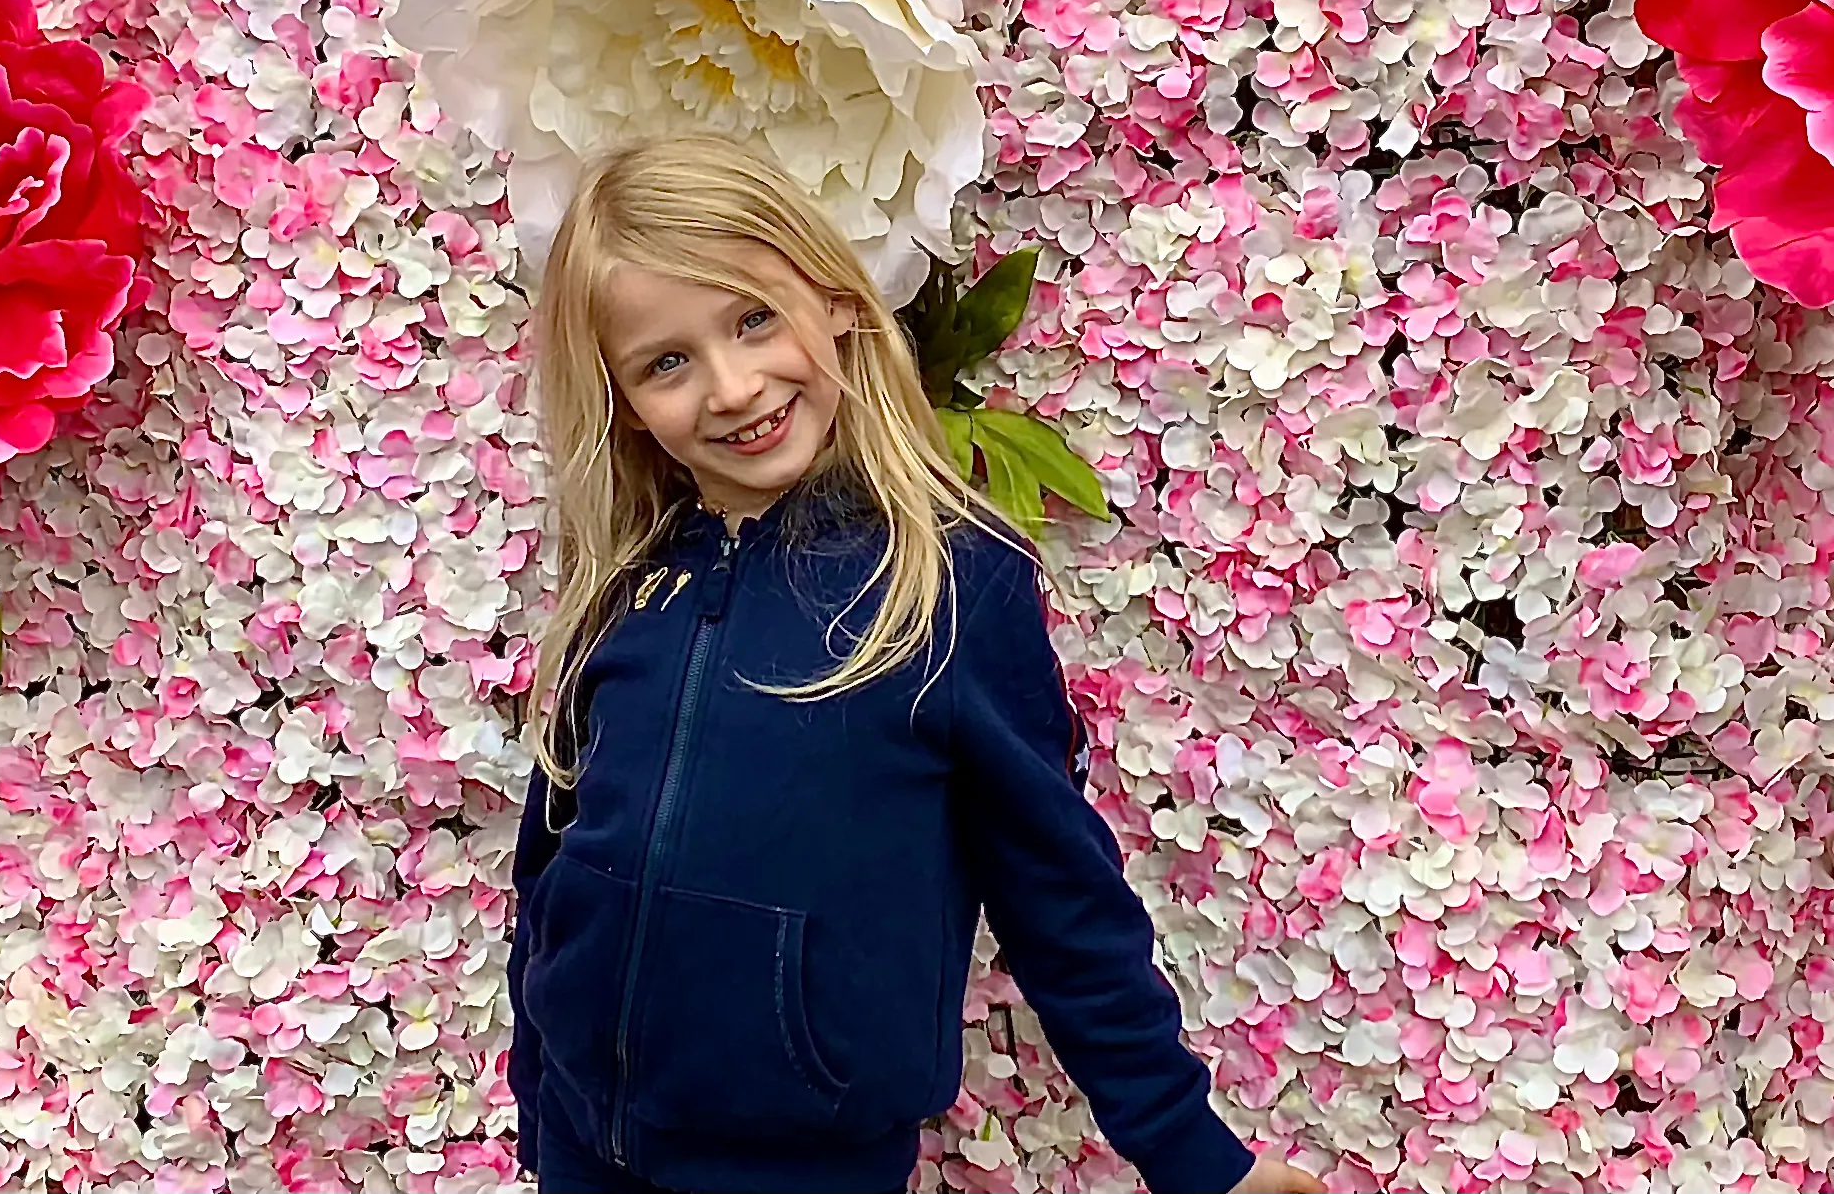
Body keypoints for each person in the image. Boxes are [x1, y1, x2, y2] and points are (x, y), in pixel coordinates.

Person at [506, 133, 1330, 1194]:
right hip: (587, 1148)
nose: (730, 384)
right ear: (620, 395)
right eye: (667, 361)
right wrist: (540, 1107)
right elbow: (552, 867)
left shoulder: (946, 582)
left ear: (837, 300)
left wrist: (1193, 1153)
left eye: (753, 318)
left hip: (805, 1169)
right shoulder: (624, 586)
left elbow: (1056, 891)